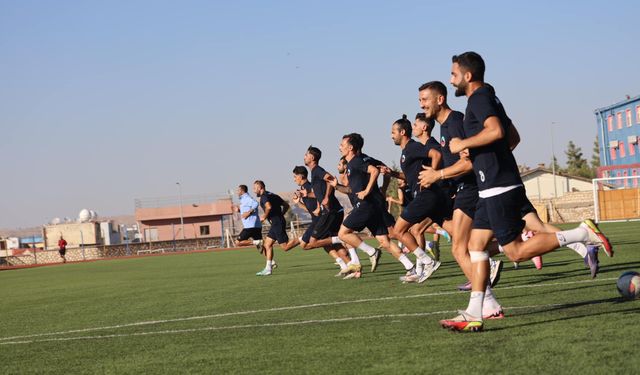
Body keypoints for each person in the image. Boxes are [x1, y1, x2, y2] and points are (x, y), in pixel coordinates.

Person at [439, 51, 612, 332]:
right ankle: (476, 312)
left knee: (516, 253)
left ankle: (582, 233)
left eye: (453, 74)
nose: (451, 79)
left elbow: (495, 132)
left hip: (497, 186)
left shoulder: (479, 98)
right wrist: (489, 155)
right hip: (492, 184)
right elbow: (513, 137)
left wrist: (463, 144)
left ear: (467, 76)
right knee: (476, 245)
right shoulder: (490, 97)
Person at [416, 80, 504, 316]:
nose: (421, 104)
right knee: (475, 246)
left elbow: (468, 163)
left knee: (459, 249)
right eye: (420, 100)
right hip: (464, 189)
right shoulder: (444, 127)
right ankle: (489, 299)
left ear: (440, 99)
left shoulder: (455, 122)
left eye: (425, 99)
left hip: (471, 188)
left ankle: (487, 302)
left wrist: (438, 175)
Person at [332, 133, 411, 280]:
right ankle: (410, 267)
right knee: (385, 241)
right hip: (374, 204)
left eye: (342, 145)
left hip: (365, 205)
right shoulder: (364, 159)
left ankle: (371, 252)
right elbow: (384, 170)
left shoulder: (355, 161)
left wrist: (368, 190)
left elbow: (375, 171)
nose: (339, 147)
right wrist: (383, 189)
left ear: (350, 148)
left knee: (343, 233)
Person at [382, 115, 444, 283]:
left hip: (427, 196)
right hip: (430, 197)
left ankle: (428, 262)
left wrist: (433, 174)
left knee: (399, 230)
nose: (391, 135)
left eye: (393, 132)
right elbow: (410, 177)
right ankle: (489, 259)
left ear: (402, 132)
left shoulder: (412, 147)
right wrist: (392, 173)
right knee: (453, 232)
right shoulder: (406, 152)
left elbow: (437, 154)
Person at [254, 180, 290, 276]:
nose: (254, 191)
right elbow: (286, 205)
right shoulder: (273, 195)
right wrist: (281, 215)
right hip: (277, 222)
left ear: (260, 188)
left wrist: (264, 216)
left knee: (285, 247)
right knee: (267, 244)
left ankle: (301, 239)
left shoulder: (264, 196)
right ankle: (268, 268)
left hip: (277, 223)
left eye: (255, 188)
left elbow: (268, 207)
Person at [232, 185, 263, 249]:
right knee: (261, 248)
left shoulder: (247, 198)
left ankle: (256, 242)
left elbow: (256, 203)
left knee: (237, 242)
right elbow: (246, 211)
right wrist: (239, 210)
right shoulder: (243, 200)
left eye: (238, 190)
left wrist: (249, 213)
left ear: (242, 191)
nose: (237, 192)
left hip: (250, 227)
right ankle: (269, 259)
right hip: (256, 226)